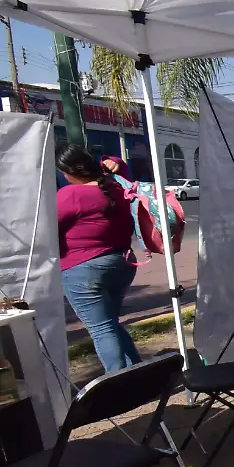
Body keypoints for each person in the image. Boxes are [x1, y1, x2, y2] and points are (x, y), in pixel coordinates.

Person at [55, 144, 141, 373]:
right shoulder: (116, 186)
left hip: (83, 269)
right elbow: (121, 168)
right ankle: (137, 373)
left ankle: (119, 381)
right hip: (122, 264)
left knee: (102, 329)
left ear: (69, 171)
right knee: (110, 325)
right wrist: (114, 161)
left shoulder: (70, 195)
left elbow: (44, 230)